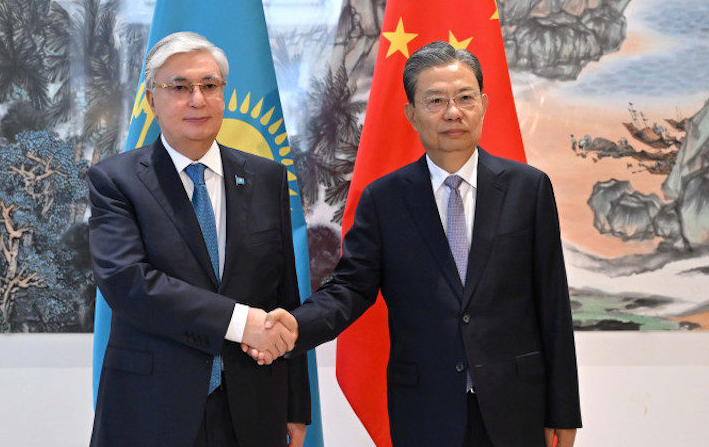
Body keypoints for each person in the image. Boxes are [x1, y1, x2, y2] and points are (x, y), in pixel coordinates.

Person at [257, 41, 582, 446]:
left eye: (465, 98)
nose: (453, 112)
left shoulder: (528, 188)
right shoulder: (385, 199)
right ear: (411, 113)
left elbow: (552, 305)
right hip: (425, 409)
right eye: (436, 100)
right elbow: (350, 289)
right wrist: (297, 324)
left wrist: (564, 409)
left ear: (482, 103)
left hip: (516, 405)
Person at [88, 32, 310, 447]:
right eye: (180, 87)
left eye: (209, 86)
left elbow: (285, 296)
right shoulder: (116, 181)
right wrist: (241, 322)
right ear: (152, 100)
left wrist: (296, 405)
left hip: (252, 405)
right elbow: (128, 282)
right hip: (152, 405)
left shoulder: (266, 178)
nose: (197, 99)